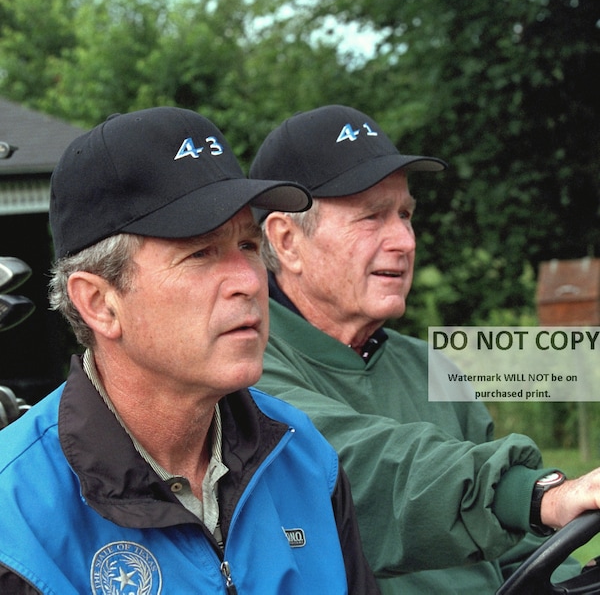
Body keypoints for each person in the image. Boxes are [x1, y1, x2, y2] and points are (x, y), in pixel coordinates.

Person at [0, 106, 380, 595]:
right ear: (98, 303)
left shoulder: (301, 454)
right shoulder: (15, 520)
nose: (248, 281)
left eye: (247, 246)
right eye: (200, 253)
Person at [249, 104, 600, 594]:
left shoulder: (430, 365)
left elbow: (513, 545)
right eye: (372, 217)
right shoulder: (246, 366)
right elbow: (354, 466)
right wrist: (535, 493)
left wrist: (575, 582)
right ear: (286, 241)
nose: (405, 241)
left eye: (406, 214)